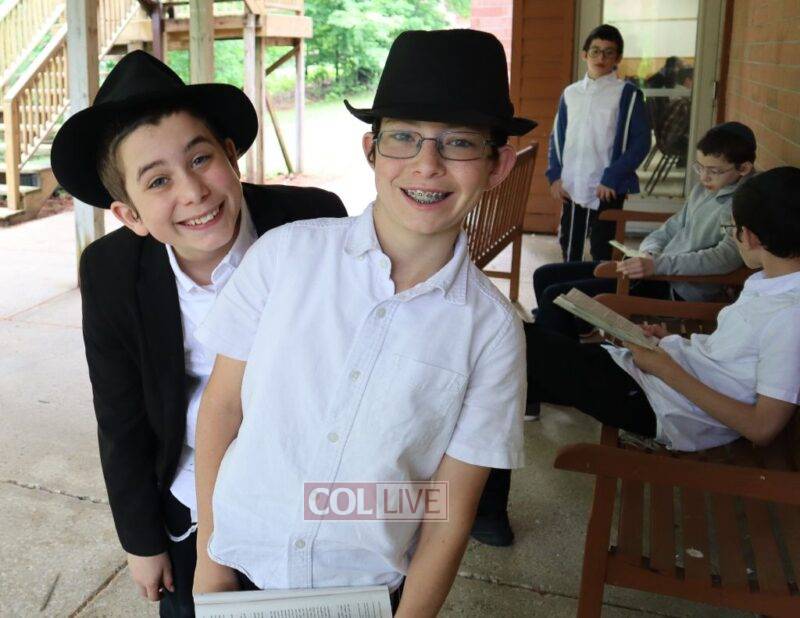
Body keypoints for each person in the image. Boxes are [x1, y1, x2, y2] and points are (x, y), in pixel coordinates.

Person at [191, 30, 533, 616]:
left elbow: (448, 507)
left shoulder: (492, 331)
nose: (427, 165)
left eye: (459, 143)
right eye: (403, 137)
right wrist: (208, 562)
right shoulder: (283, 257)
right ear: (371, 149)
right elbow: (222, 408)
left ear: (497, 164)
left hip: (364, 594)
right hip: (235, 568)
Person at [50, 51, 346, 617]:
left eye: (201, 159)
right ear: (131, 215)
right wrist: (141, 540)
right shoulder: (111, 271)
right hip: (192, 495)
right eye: (158, 180)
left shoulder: (313, 222)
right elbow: (120, 414)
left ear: (231, 155)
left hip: (310, 488)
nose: (192, 191)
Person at [486, 167, 800, 531]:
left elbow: (762, 427)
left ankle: (484, 511)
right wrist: (669, 342)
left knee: (509, 349)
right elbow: (730, 360)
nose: (733, 237)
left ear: (751, 236)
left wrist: (666, 368)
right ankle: (485, 511)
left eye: (732, 229)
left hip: (664, 407)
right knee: (511, 357)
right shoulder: (770, 283)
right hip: (656, 379)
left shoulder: (790, 315)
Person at [532, 122, 755, 342]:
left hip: (676, 287)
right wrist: (650, 252)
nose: (704, 177)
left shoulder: (743, 205)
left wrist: (658, 265)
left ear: (744, 168)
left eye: (714, 171)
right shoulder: (704, 190)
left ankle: (555, 356)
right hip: (656, 271)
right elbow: (671, 228)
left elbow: (725, 258)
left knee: (556, 295)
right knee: (544, 275)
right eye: (700, 167)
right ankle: (576, 332)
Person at [546, 24, 650, 263]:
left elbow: (641, 142)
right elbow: (557, 138)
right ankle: (570, 284)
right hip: (572, 184)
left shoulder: (627, 94)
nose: (601, 58)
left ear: (618, 58)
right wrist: (555, 175)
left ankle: (602, 286)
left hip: (607, 186)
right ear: (585, 55)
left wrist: (613, 176)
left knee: (604, 249)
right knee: (570, 245)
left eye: (608, 52)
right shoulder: (571, 93)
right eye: (595, 51)